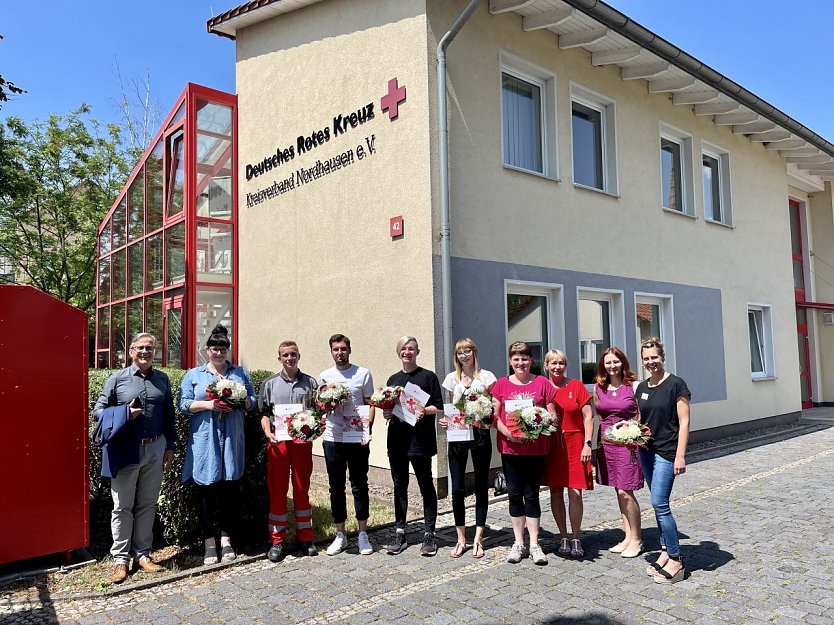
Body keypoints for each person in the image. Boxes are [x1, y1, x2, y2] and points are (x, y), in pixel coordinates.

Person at [93, 332, 176, 585]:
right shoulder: (117, 379)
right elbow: (98, 411)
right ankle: (120, 560)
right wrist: (124, 414)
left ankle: (143, 555)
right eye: (140, 348)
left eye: (150, 348)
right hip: (126, 449)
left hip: (155, 447)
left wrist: (169, 447)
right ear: (131, 351)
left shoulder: (162, 379)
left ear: (155, 352)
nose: (145, 352)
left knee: (148, 504)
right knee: (122, 506)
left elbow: (169, 415)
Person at [180, 325, 255, 565]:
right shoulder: (194, 375)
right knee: (206, 492)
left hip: (232, 436)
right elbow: (184, 405)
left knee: (230, 491)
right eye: (214, 349)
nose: (219, 353)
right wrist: (209, 406)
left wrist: (240, 401)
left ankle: (226, 539)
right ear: (207, 350)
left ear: (228, 351)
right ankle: (209, 542)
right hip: (205, 438)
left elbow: (252, 399)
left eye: (223, 349)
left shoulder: (239, 373)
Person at [492, 341, 557, 565]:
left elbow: (552, 415)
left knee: (532, 494)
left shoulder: (542, 383)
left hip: (535, 449)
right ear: (510, 361)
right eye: (516, 358)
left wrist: (540, 424)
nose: (521, 363)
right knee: (513, 493)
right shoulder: (500, 385)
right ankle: (518, 542)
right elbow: (495, 416)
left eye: (525, 358)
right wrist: (508, 434)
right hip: (510, 448)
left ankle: (535, 544)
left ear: (532, 360)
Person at [381, 336, 444, 556]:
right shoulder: (393, 379)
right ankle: (400, 531)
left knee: (426, 485)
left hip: (421, 440)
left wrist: (424, 411)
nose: (407, 352)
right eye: (404, 349)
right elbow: (388, 407)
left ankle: (429, 533)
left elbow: (438, 405)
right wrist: (386, 412)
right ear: (399, 352)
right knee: (400, 486)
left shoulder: (428, 377)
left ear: (417, 352)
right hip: (397, 441)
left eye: (411, 349)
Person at [636, 337, 691, 584]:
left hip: (667, 452)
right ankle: (665, 551)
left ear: (663, 356)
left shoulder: (676, 384)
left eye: (654, 357)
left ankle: (677, 559)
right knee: (657, 502)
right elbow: (641, 420)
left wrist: (680, 455)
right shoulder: (642, 387)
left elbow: (685, 422)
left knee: (660, 503)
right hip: (646, 451)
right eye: (646, 358)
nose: (651, 362)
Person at [258, 340, 319, 562]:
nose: (289, 358)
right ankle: (277, 541)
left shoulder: (311, 382)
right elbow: (264, 413)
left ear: (298, 356)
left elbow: (318, 412)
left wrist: (316, 430)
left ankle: (305, 538)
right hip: (279, 443)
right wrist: (267, 431)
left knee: (302, 489)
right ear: (279, 358)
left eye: (293, 354)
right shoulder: (270, 383)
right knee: (277, 489)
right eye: (285, 355)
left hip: (302, 443)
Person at [440, 338, 497, 559]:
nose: (464, 355)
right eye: (460, 352)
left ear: (474, 353)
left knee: (482, 485)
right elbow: (450, 409)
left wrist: (486, 415)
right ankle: (461, 538)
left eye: (467, 351)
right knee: (457, 489)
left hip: (480, 435)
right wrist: (445, 421)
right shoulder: (450, 379)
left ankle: (478, 538)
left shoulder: (486, 377)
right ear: (456, 356)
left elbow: (493, 406)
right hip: (457, 436)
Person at [319, 334, 375, 556]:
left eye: (343, 348)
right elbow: (321, 406)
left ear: (349, 350)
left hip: (357, 438)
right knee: (336, 487)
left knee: (360, 485)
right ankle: (340, 533)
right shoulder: (325, 376)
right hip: (333, 438)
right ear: (331, 352)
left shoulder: (363, 374)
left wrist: (368, 428)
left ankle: (363, 533)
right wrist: (326, 407)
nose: (340, 352)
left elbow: (371, 405)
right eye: (335, 349)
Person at [541, 350, 593, 559]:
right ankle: (563, 535)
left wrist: (588, 443)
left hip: (575, 442)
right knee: (555, 491)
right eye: (553, 363)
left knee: (575, 492)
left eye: (561, 363)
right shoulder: (542, 387)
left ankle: (576, 535)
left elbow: (588, 416)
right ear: (545, 366)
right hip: (553, 444)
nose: (557, 367)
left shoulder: (576, 385)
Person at [594, 347, 644, 559]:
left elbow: (641, 414)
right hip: (608, 444)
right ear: (603, 365)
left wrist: (632, 433)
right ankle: (627, 535)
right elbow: (600, 414)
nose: (612, 366)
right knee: (617, 489)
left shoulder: (633, 386)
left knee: (626, 490)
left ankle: (637, 539)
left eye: (616, 362)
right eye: (608, 362)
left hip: (627, 444)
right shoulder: (599, 387)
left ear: (623, 363)